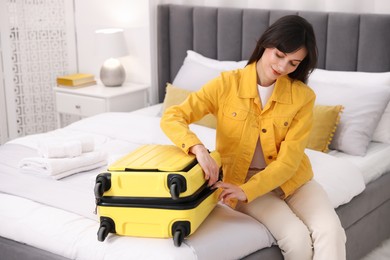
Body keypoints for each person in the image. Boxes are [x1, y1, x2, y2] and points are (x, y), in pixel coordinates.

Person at [160, 15, 346, 260]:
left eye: (293, 63)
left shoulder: (303, 97)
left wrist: (246, 191)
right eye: (279, 55)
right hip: (244, 180)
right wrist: (198, 149)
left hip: (295, 180)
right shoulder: (226, 85)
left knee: (331, 231)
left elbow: (289, 162)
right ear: (266, 44)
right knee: (296, 238)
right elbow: (172, 115)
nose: (282, 67)